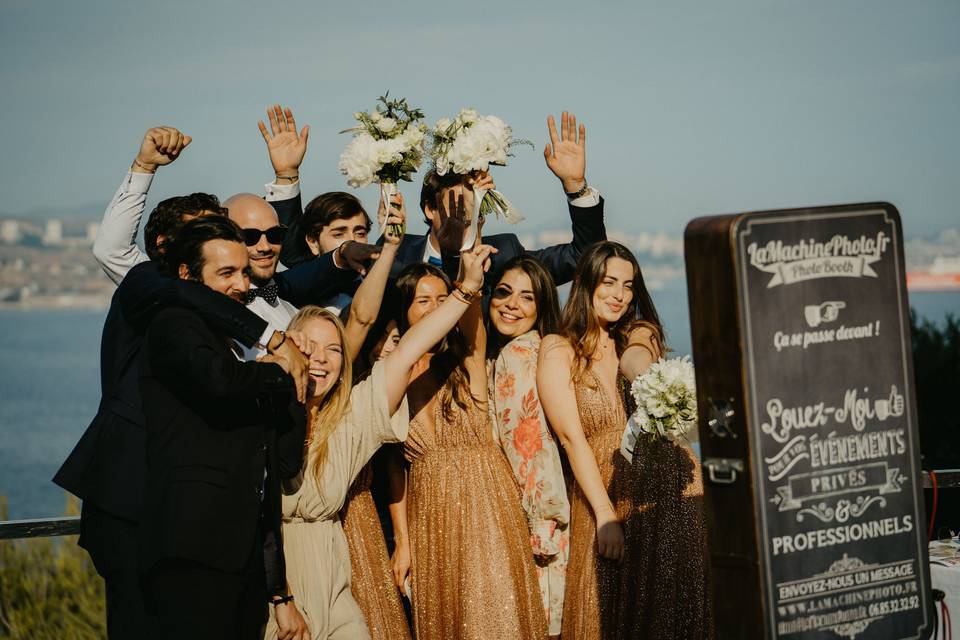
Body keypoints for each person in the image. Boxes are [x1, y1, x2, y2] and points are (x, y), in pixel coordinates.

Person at [53, 193, 308, 640]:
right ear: (173, 253)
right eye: (205, 236)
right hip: (131, 500)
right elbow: (221, 378)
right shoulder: (155, 293)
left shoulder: (217, 317)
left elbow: (302, 276)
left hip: (200, 521)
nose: (238, 278)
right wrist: (275, 350)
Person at [263, 229, 496, 639]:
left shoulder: (352, 418)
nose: (320, 359)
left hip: (335, 584)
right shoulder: (257, 417)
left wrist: (466, 290)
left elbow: (408, 348)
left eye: (334, 350)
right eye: (309, 346)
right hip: (272, 587)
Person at [138, 216, 309, 640]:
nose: (241, 284)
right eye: (226, 273)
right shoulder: (173, 323)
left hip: (240, 550)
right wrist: (279, 369)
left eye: (245, 272)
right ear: (186, 275)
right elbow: (220, 381)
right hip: (194, 547)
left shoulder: (227, 337)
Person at [387, 193, 547, 639]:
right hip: (428, 516)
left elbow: (471, 312)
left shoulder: (470, 360)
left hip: (488, 506)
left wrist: (468, 252)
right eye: (423, 301)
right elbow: (394, 467)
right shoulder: (390, 377)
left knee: (495, 618)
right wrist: (402, 542)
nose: (437, 306)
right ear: (405, 311)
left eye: (443, 298)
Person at [538, 240, 711, 639]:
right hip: (607, 495)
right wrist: (606, 516)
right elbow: (571, 439)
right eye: (610, 282)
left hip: (670, 489)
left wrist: (646, 382)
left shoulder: (638, 333)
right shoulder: (558, 348)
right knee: (606, 612)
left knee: (676, 610)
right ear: (585, 281)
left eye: (629, 285)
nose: (620, 295)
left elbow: (638, 359)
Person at [389, 112, 606, 289]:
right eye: (460, 201)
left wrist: (576, 186)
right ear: (430, 209)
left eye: (477, 200)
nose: (469, 208)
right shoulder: (397, 251)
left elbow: (584, 258)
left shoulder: (504, 254)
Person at [486, 255, 569, 639]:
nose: (511, 304)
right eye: (503, 292)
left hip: (539, 522)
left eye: (526, 298)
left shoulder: (517, 356)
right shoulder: (542, 349)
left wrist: (541, 521)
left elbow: (531, 448)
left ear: (542, 306)